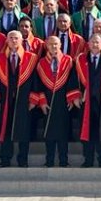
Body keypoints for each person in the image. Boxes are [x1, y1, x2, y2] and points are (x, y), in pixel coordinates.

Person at [0, 30, 39, 168]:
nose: (13, 40)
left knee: (24, 130)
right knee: (5, 129)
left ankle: (22, 159)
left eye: (16, 38)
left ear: (21, 40)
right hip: (5, 100)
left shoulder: (31, 58)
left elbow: (35, 81)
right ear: (6, 40)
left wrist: (33, 99)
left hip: (24, 100)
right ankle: (5, 159)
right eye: (11, 38)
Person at [32, 35, 78, 168]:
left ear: (60, 45)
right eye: (51, 44)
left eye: (56, 44)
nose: (54, 47)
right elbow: (38, 84)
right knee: (49, 132)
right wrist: (41, 101)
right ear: (46, 46)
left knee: (63, 132)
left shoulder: (68, 60)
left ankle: (64, 160)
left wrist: (71, 98)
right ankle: (49, 160)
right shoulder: (41, 63)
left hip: (63, 101)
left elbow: (72, 81)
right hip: (47, 102)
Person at [74, 33, 101, 168]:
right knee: (86, 131)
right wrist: (76, 96)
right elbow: (73, 81)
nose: (95, 45)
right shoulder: (81, 60)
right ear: (88, 44)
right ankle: (88, 159)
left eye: (98, 42)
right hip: (86, 102)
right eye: (92, 42)